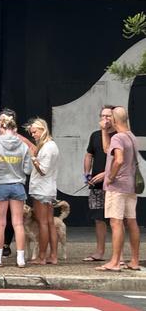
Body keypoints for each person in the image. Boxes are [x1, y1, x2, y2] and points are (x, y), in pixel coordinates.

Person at [0, 108, 35, 258]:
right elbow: (28, 169)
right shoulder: (22, 145)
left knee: (0, 223)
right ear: (15, 127)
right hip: (17, 185)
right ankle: (21, 258)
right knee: (18, 223)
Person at [97, 106, 140, 272]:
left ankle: (115, 262)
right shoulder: (131, 136)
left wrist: (111, 176)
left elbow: (118, 159)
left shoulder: (118, 138)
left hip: (117, 186)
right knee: (132, 221)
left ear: (114, 120)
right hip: (130, 185)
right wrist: (104, 131)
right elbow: (108, 150)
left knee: (115, 222)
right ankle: (134, 261)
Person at [82, 105, 115, 262]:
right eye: (103, 116)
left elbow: (114, 156)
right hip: (96, 183)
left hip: (113, 183)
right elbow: (89, 154)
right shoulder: (94, 135)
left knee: (115, 219)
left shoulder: (118, 135)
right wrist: (87, 173)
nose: (105, 119)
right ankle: (99, 252)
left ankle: (118, 255)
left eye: (108, 116)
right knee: (99, 218)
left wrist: (106, 174)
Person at [27, 118, 60, 265]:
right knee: (50, 222)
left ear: (42, 130)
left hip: (41, 188)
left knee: (43, 223)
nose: (33, 135)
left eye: (34, 132)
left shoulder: (46, 147)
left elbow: (43, 170)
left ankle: (41, 256)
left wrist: (33, 157)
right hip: (49, 188)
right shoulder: (52, 146)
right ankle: (53, 255)